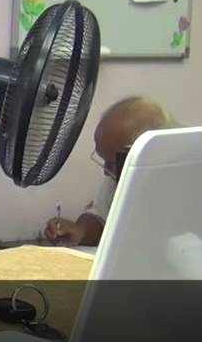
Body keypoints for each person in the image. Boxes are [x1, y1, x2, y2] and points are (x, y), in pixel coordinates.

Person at [44, 96, 177, 247]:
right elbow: (101, 218)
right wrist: (80, 230)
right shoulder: (118, 177)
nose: (106, 173)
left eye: (112, 163)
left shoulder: (186, 182)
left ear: (151, 152)